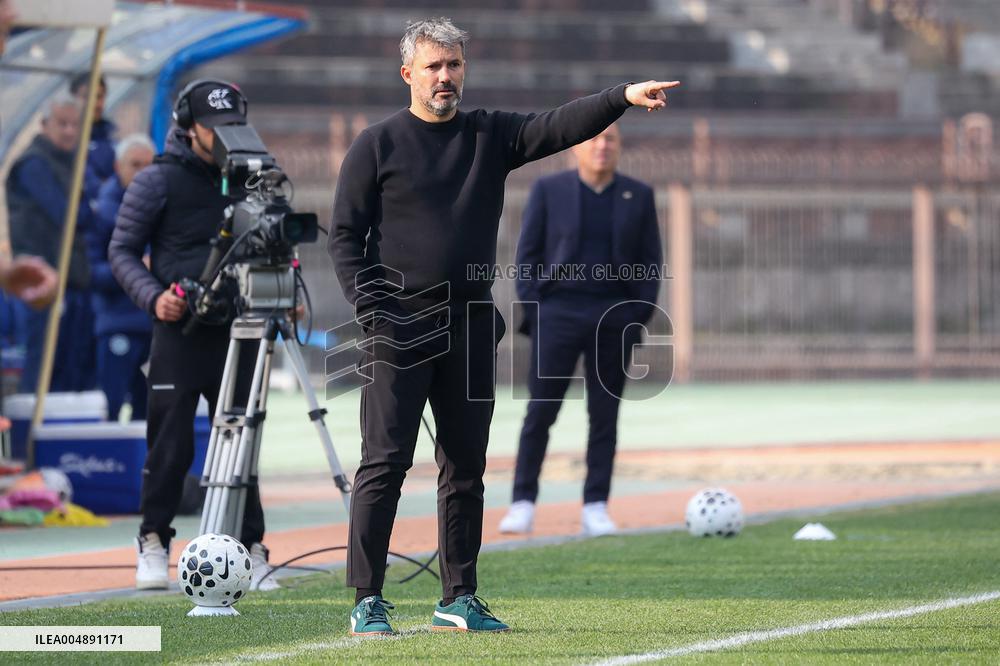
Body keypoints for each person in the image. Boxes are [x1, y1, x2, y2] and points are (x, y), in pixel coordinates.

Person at [329, 16, 678, 635]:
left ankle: (458, 597)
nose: (445, 77)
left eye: (454, 65)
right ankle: (367, 600)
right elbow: (347, 237)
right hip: (398, 323)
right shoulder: (376, 144)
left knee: (465, 465)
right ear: (408, 73)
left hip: (468, 322)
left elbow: (557, 125)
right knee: (384, 462)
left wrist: (620, 97)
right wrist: (370, 307)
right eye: (433, 66)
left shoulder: (489, 135)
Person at [108, 80, 277, 592]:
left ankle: (251, 547)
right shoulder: (157, 180)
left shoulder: (253, 178)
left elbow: (274, 239)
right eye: (214, 127)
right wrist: (154, 296)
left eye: (233, 125)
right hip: (178, 331)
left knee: (241, 441)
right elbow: (121, 251)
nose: (225, 136)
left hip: (240, 329)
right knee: (170, 444)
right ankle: (154, 539)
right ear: (189, 127)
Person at [498, 123, 662, 537]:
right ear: (576, 148)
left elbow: (650, 264)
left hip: (614, 318)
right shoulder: (548, 191)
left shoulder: (638, 196)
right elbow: (528, 257)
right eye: (595, 139)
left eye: (611, 139)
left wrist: (634, 316)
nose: (602, 146)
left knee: (604, 416)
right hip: (558, 315)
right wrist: (540, 312)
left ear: (620, 147)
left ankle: (595, 505)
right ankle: (522, 502)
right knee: (541, 411)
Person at [6, 92, 96, 393]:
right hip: (42, 282)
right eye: (62, 123)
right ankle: (29, 437)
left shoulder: (71, 162)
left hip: (71, 279)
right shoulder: (34, 164)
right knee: (42, 362)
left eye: (75, 124)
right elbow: (71, 215)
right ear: (44, 124)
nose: (70, 131)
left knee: (71, 365)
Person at [88, 133, 155, 421]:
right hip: (117, 323)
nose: (142, 173)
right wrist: (134, 269)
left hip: (156, 325)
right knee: (110, 406)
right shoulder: (101, 213)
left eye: (148, 166)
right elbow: (91, 272)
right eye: (134, 165)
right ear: (118, 167)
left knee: (151, 409)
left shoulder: (164, 206)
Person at [70, 72, 116, 186]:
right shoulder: (67, 140)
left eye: (99, 96)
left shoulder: (112, 139)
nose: (94, 103)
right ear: (73, 98)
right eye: (86, 97)